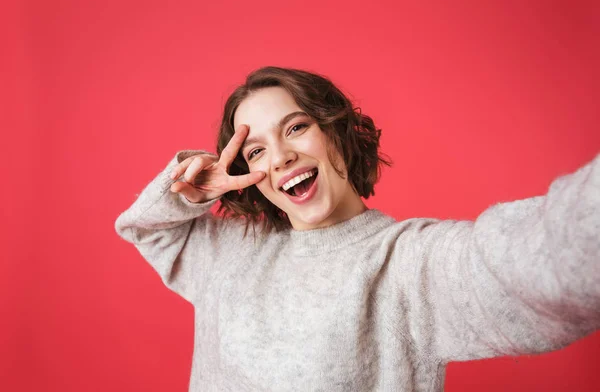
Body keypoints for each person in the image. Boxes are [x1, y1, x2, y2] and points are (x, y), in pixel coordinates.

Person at [114, 66, 600, 391]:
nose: (281, 156)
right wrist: (192, 190)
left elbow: (544, 257)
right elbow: (149, 229)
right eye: (256, 150)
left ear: (336, 131)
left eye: (296, 127)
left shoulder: (408, 264)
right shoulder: (230, 254)